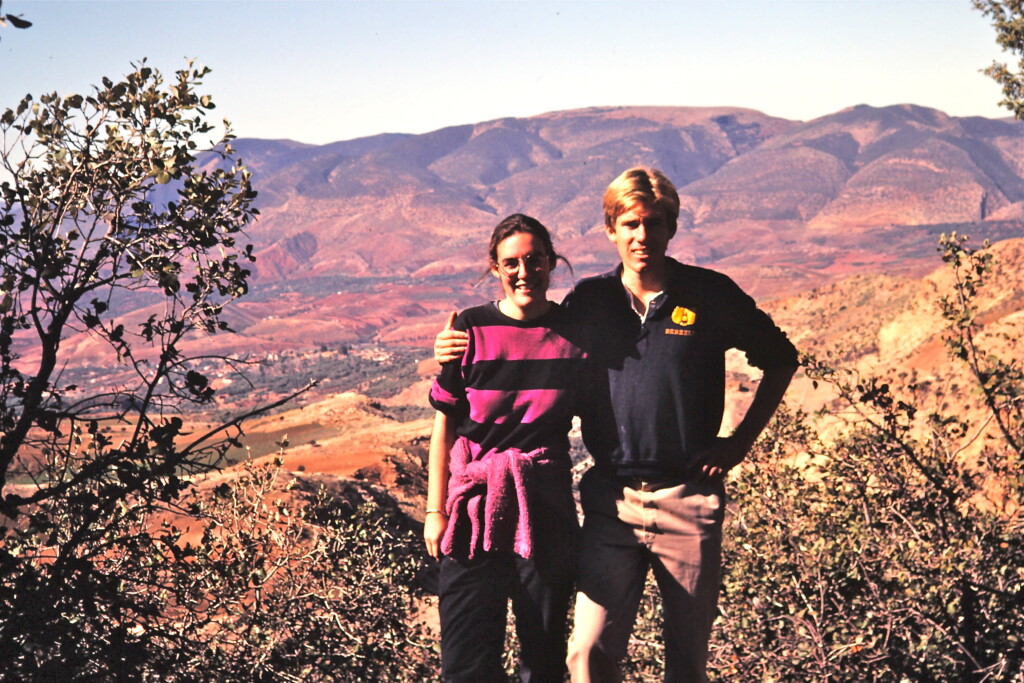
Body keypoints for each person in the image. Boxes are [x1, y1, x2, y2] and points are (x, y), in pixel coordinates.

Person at [435, 168, 799, 682]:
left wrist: (738, 442)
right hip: (610, 501)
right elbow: (525, 335)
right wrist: (451, 349)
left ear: (671, 227)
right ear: (611, 229)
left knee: (687, 662)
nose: (642, 236)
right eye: (629, 223)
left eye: (654, 223)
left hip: (689, 498)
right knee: (586, 654)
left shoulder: (709, 293)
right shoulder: (590, 301)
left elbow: (781, 358)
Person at [424, 213, 586, 682]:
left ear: (552, 263)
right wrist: (435, 512)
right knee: (467, 662)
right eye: (511, 262)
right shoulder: (469, 330)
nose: (524, 272)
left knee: (543, 661)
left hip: (546, 510)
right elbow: (445, 427)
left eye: (534, 260)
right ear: (495, 268)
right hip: (471, 512)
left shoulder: (575, 338)